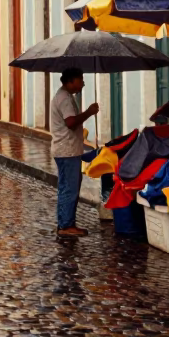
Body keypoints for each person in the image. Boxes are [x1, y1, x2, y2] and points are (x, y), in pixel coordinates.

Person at [49, 67, 100, 237]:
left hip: (66, 150)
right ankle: (66, 225)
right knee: (70, 189)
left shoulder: (65, 96)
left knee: (66, 187)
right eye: (80, 79)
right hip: (67, 151)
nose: (83, 83)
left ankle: (65, 222)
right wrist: (89, 112)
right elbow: (70, 122)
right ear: (71, 81)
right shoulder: (64, 99)